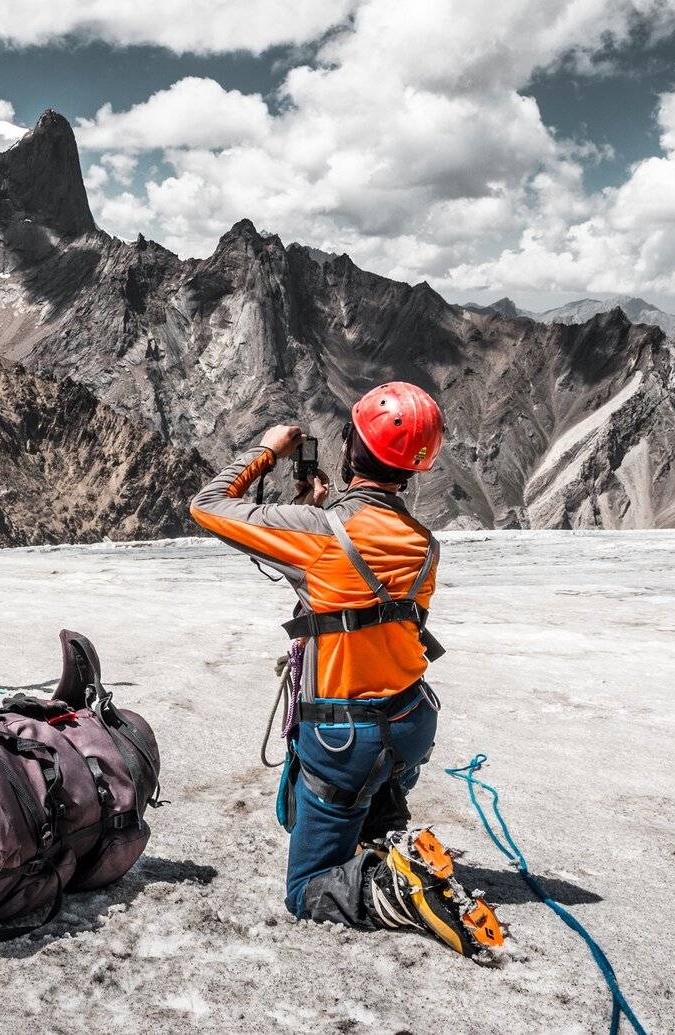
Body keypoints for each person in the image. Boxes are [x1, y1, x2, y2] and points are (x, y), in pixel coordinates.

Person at [189, 382, 503, 960]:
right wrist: (318, 508)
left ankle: (394, 888)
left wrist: (268, 451)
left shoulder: (317, 536)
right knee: (363, 811)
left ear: (352, 447)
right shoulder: (425, 545)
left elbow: (208, 505)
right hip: (410, 721)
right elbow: (366, 601)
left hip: (342, 732)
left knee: (308, 886)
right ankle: (389, 838)